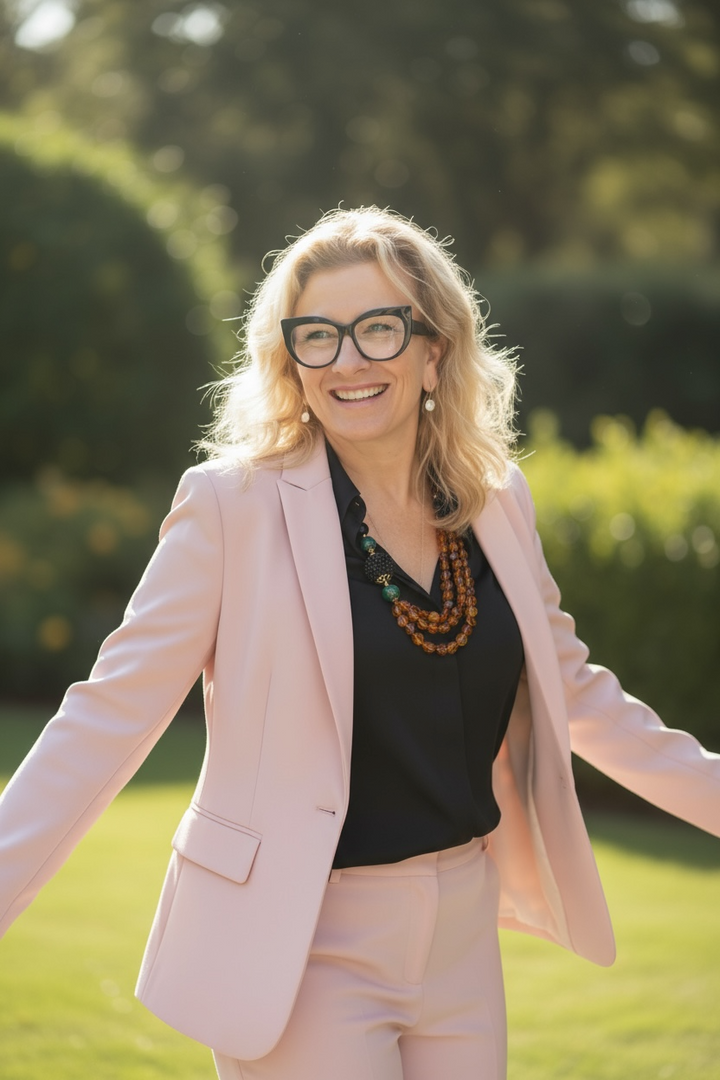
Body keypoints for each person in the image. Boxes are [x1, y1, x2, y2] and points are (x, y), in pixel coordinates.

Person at [0, 206, 718, 1080]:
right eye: (317, 336)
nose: (347, 360)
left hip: (460, 935)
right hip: (298, 941)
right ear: (289, 360)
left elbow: (579, 694)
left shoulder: (495, 499)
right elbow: (107, 714)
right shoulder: (231, 507)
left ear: (434, 349)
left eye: (378, 329)